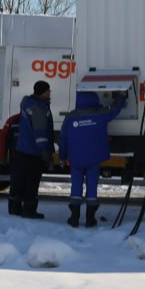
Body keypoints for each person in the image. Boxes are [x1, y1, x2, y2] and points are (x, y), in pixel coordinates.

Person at [59, 91, 126, 228]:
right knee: (92, 186)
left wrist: (62, 156)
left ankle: (74, 218)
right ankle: (90, 219)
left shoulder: (70, 117)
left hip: (75, 158)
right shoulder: (100, 114)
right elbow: (114, 110)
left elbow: (63, 139)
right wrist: (121, 96)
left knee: (76, 185)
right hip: (94, 158)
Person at [12, 80, 55, 219]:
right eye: (48, 90)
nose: (50, 92)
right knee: (31, 183)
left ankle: (15, 208)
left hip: (22, 150)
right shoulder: (39, 108)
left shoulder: (27, 103)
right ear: (42, 92)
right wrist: (45, 152)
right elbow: (40, 132)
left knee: (20, 181)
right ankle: (29, 210)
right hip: (33, 153)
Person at [0, 110, 22, 215]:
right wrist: (2, 156)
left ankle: (17, 208)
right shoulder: (13, 120)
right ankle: (14, 208)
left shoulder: (13, 120)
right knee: (16, 184)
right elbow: (3, 139)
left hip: (18, 158)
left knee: (19, 184)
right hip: (17, 158)